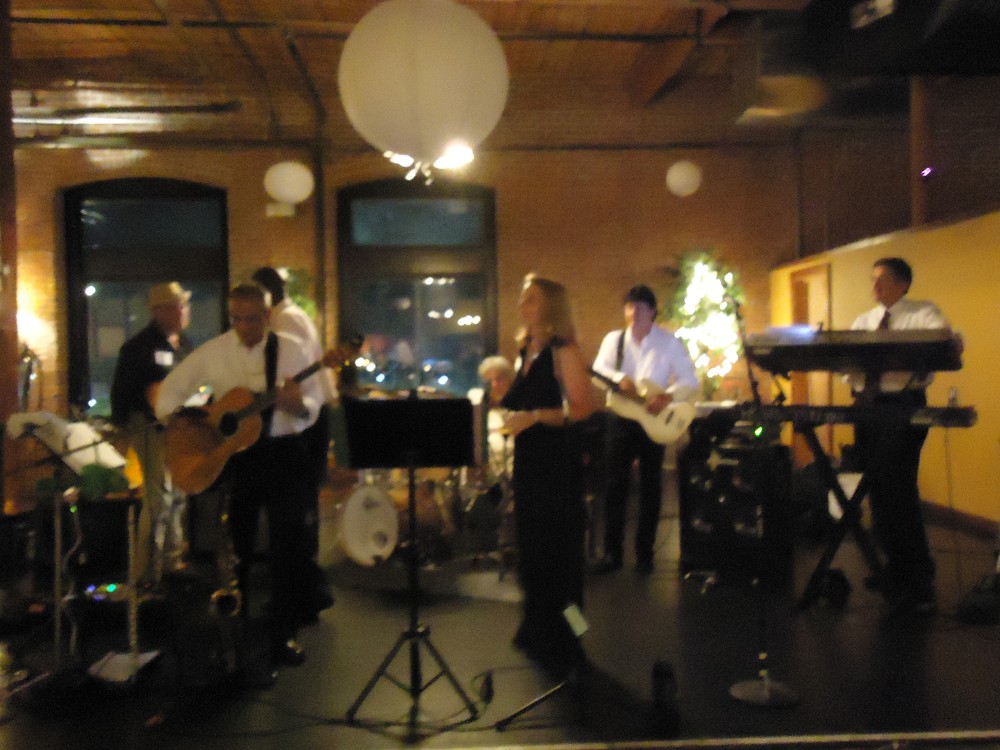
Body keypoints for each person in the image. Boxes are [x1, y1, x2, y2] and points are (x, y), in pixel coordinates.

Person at [155, 283, 326, 675]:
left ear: (267, 316)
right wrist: (195, 424)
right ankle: (238, 630)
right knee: (238, 548)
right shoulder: (214, 352)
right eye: (237, 319)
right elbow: (170, 393)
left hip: (285, 455)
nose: (245, 327)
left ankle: (282, 634)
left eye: (252, 319)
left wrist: (298, 404)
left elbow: (314, 405)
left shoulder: (292, 350)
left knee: (287, 547)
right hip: (240, 460)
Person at [848, 257, 955, 618]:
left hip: (903, 404)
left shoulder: (924, 314)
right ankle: (892, 566)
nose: (875, 286)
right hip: (868, 406)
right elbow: (847, 361)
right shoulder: (864, 321)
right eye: (873, 280)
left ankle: (918, 575)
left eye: (882, 279)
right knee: (876, 488)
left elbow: (945, 342)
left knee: (899, 486)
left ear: (903, 283)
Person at [500, 273, 595, 676]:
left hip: (557, 465)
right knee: (534, 551)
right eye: (523, 298)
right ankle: (539, 627)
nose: (523, 305)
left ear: (550, 306)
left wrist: (535, 416)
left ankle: (574, 635)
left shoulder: (563, 351)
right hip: (530, 463)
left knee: (562, 557)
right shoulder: (527, 350)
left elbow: (583, 408)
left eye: (532, 299)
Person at [591, 284, 698, 575]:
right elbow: (598, 372)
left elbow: (689, 379)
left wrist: (668, 396)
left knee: (651, 486)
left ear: (652, 311)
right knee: (616, 485)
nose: (633, 313)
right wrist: (618, 379)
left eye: (639, 307)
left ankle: (644, 554)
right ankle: (612, 553)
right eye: (629, 307)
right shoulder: (614, 341)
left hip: (654, 419)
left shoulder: (668, 343)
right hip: (620, 418)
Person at [251, 266, 336, 623]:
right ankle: (305, 594)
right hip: (306, 420)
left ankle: (304, 596)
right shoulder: (294, 316)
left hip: (304, 425)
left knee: (296, 517)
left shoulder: (286, 323)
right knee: (298, 515)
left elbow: (291, 383)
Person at [110, 281, 192, 584]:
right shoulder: (139, 348)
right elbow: (123, 395)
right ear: (159, 311)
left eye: (184, 305)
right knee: (159, 498)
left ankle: (172, 563)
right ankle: (145, 573)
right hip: (150, 427)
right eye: (178, 306)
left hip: (180, 429)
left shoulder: (183, 345)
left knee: (179, 492)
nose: (184, 311)